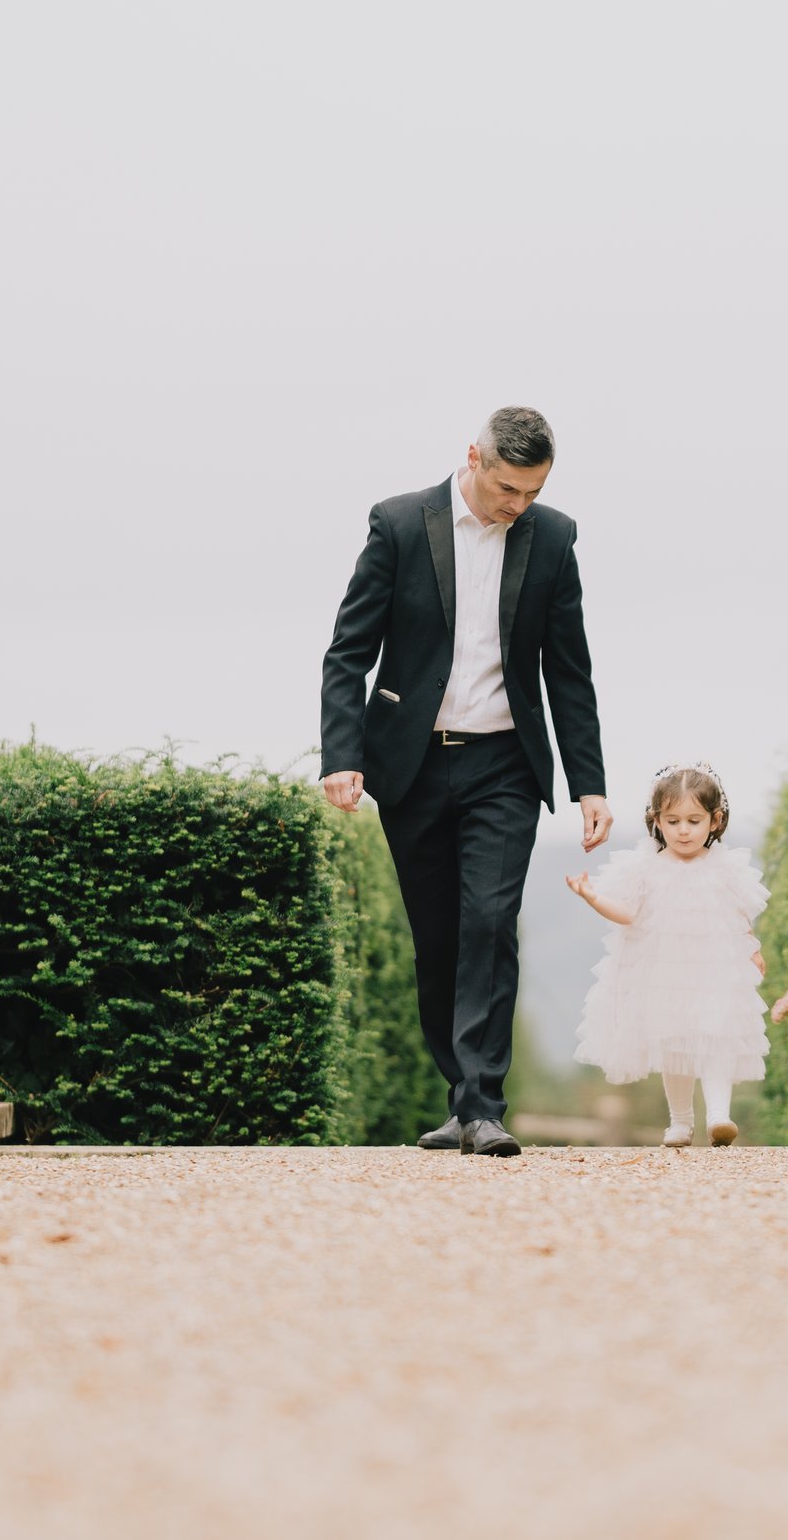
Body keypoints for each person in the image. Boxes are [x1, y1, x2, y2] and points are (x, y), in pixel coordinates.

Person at [319, 406, 611, 1157]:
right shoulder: (398, 523)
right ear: (473, 457)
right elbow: (348, 652)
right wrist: (341, 754)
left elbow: (568, 670)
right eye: (508, 489)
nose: (518, 506)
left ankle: (484, 1104)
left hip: (505, 764)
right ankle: (461, 1095)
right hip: (412, 765)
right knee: (439, 939)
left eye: (532, 492)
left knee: (489, 920)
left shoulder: (553, 538)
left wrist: (590, 783)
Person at [566, 763, 769, 1146]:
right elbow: (628, 915)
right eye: (673, 820)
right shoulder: (646, 869)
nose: (683, 830)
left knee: (717, 1036)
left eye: (694, 820)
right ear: (656, 820)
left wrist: (751, 947)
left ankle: (720, 1117)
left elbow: (738, 915)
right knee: (674, 1045)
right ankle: (680, 1122)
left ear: (715, 820)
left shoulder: (725, 868)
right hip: (665, 976)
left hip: (716, 970)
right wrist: (594, 898)